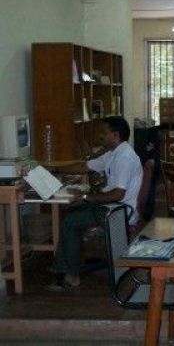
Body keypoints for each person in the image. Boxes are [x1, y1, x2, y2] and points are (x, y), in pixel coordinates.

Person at [50, 116, 143, 289]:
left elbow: (118, 194)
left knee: (70, 222)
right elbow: (85, 166)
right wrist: (54, 169)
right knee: (71, 212)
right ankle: (64, 268)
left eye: (104, 133)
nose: (101, 136)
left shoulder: (125, 158)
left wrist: (87, 197)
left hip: (119, 211)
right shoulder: (113, 154)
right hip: (112, 206)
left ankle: (72, 275)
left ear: (115, 135)